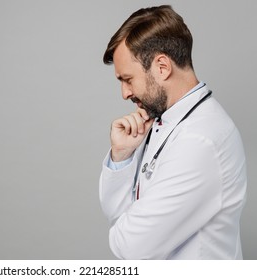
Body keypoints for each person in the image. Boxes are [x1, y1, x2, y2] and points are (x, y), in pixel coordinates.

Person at [99, 5, 247, 259]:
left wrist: (124, 227)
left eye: (127, 79)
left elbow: (133, 247)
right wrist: (121, 156)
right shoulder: (164, 120)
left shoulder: (200, 140)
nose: (124, 93)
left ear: (162, 67)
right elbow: (115, 211)